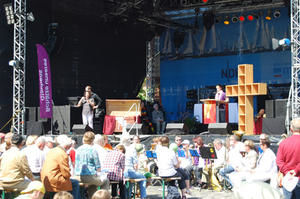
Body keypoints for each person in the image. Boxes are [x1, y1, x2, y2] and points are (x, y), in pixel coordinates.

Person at [41, 135, 80, 199]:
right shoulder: (62, 154)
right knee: (75, 183)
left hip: (46, 179)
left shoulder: (52, 151)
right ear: (67, 145)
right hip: (55, 181)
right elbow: (66, 173)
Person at [74, 131, 109, 197]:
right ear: (93, 140)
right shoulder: (93, 150)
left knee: (93, 183)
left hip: (77, 176)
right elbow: (98, 167)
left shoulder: (78, 149)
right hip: (88, 176)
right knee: (105, 180)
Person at [277, 118, 300, 199]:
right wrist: (296, 170)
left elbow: (279, 161)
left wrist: (287, 172)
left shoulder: (283, 143)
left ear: (291, 129)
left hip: (288, 179)